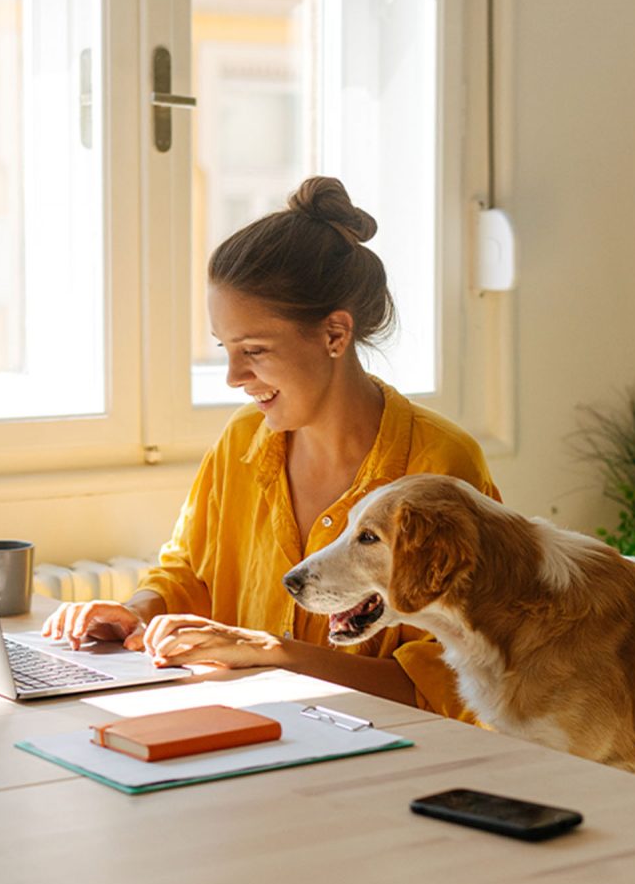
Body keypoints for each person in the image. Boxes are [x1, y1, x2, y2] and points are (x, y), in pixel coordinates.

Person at [41, 177, 497, 720]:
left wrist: (276, 656)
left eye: (253, 349)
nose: (234, 376)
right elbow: (190, 573)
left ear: (334, 334)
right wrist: (136, 612)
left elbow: (447, 686)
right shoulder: (242, 441)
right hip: (246, 732)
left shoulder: (441, 466)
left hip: (385, 759)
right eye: (225, 349)